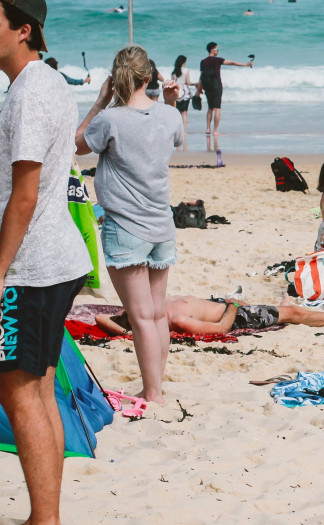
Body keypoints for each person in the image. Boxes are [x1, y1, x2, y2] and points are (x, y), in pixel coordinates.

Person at [0, 2, 94, 521]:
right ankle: (47, 515)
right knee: (39, 389)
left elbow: (25, 195)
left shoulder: (29, 92)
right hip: (56, 258)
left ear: (23, 29)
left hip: (31, 266)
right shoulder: (47, 83)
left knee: (19, 395)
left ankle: (46, 518)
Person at [75, 45, 182, 405]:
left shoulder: (110, 119)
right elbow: (177, 137)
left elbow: (77, 145)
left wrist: (99, 102)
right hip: (161, 224)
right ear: (148, 78)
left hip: (126, 227)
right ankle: (155, 387)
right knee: (156, 313)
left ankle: (152, 392)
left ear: (114, 79)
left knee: (140, 318)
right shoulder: (169, 116)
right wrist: (168, 102)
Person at [95, 294, 324, 337]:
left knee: (284, 309)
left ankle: (282, 306)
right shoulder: (175, 321)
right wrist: (233, 304)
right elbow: (221, 329)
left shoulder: (150, 305)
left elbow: (100, 319)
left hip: (228, 305)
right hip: (237, 316)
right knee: (294, 313)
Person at [198, 42, 252, 137]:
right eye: (217, 49)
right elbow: (232, 63)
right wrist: (246, 64)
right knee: (217, 109)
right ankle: (215, 131)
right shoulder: (217, 60)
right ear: (212, 50)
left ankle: (207, 129)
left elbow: (201, 76)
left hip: (207, 86)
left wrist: (199, 89)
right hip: (216, 85)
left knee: (210, 108)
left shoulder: (203, 61)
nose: (218, 51)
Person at [170, 55, 198, 149]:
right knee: (184, 113)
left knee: (177, 113)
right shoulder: (186, 71)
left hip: (177, 92)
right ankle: (184, 131)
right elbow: (189, 82)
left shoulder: (174, 72)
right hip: (185, 93)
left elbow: (172, 83)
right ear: (183, 62)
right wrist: (196, 84)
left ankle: (178, 132)